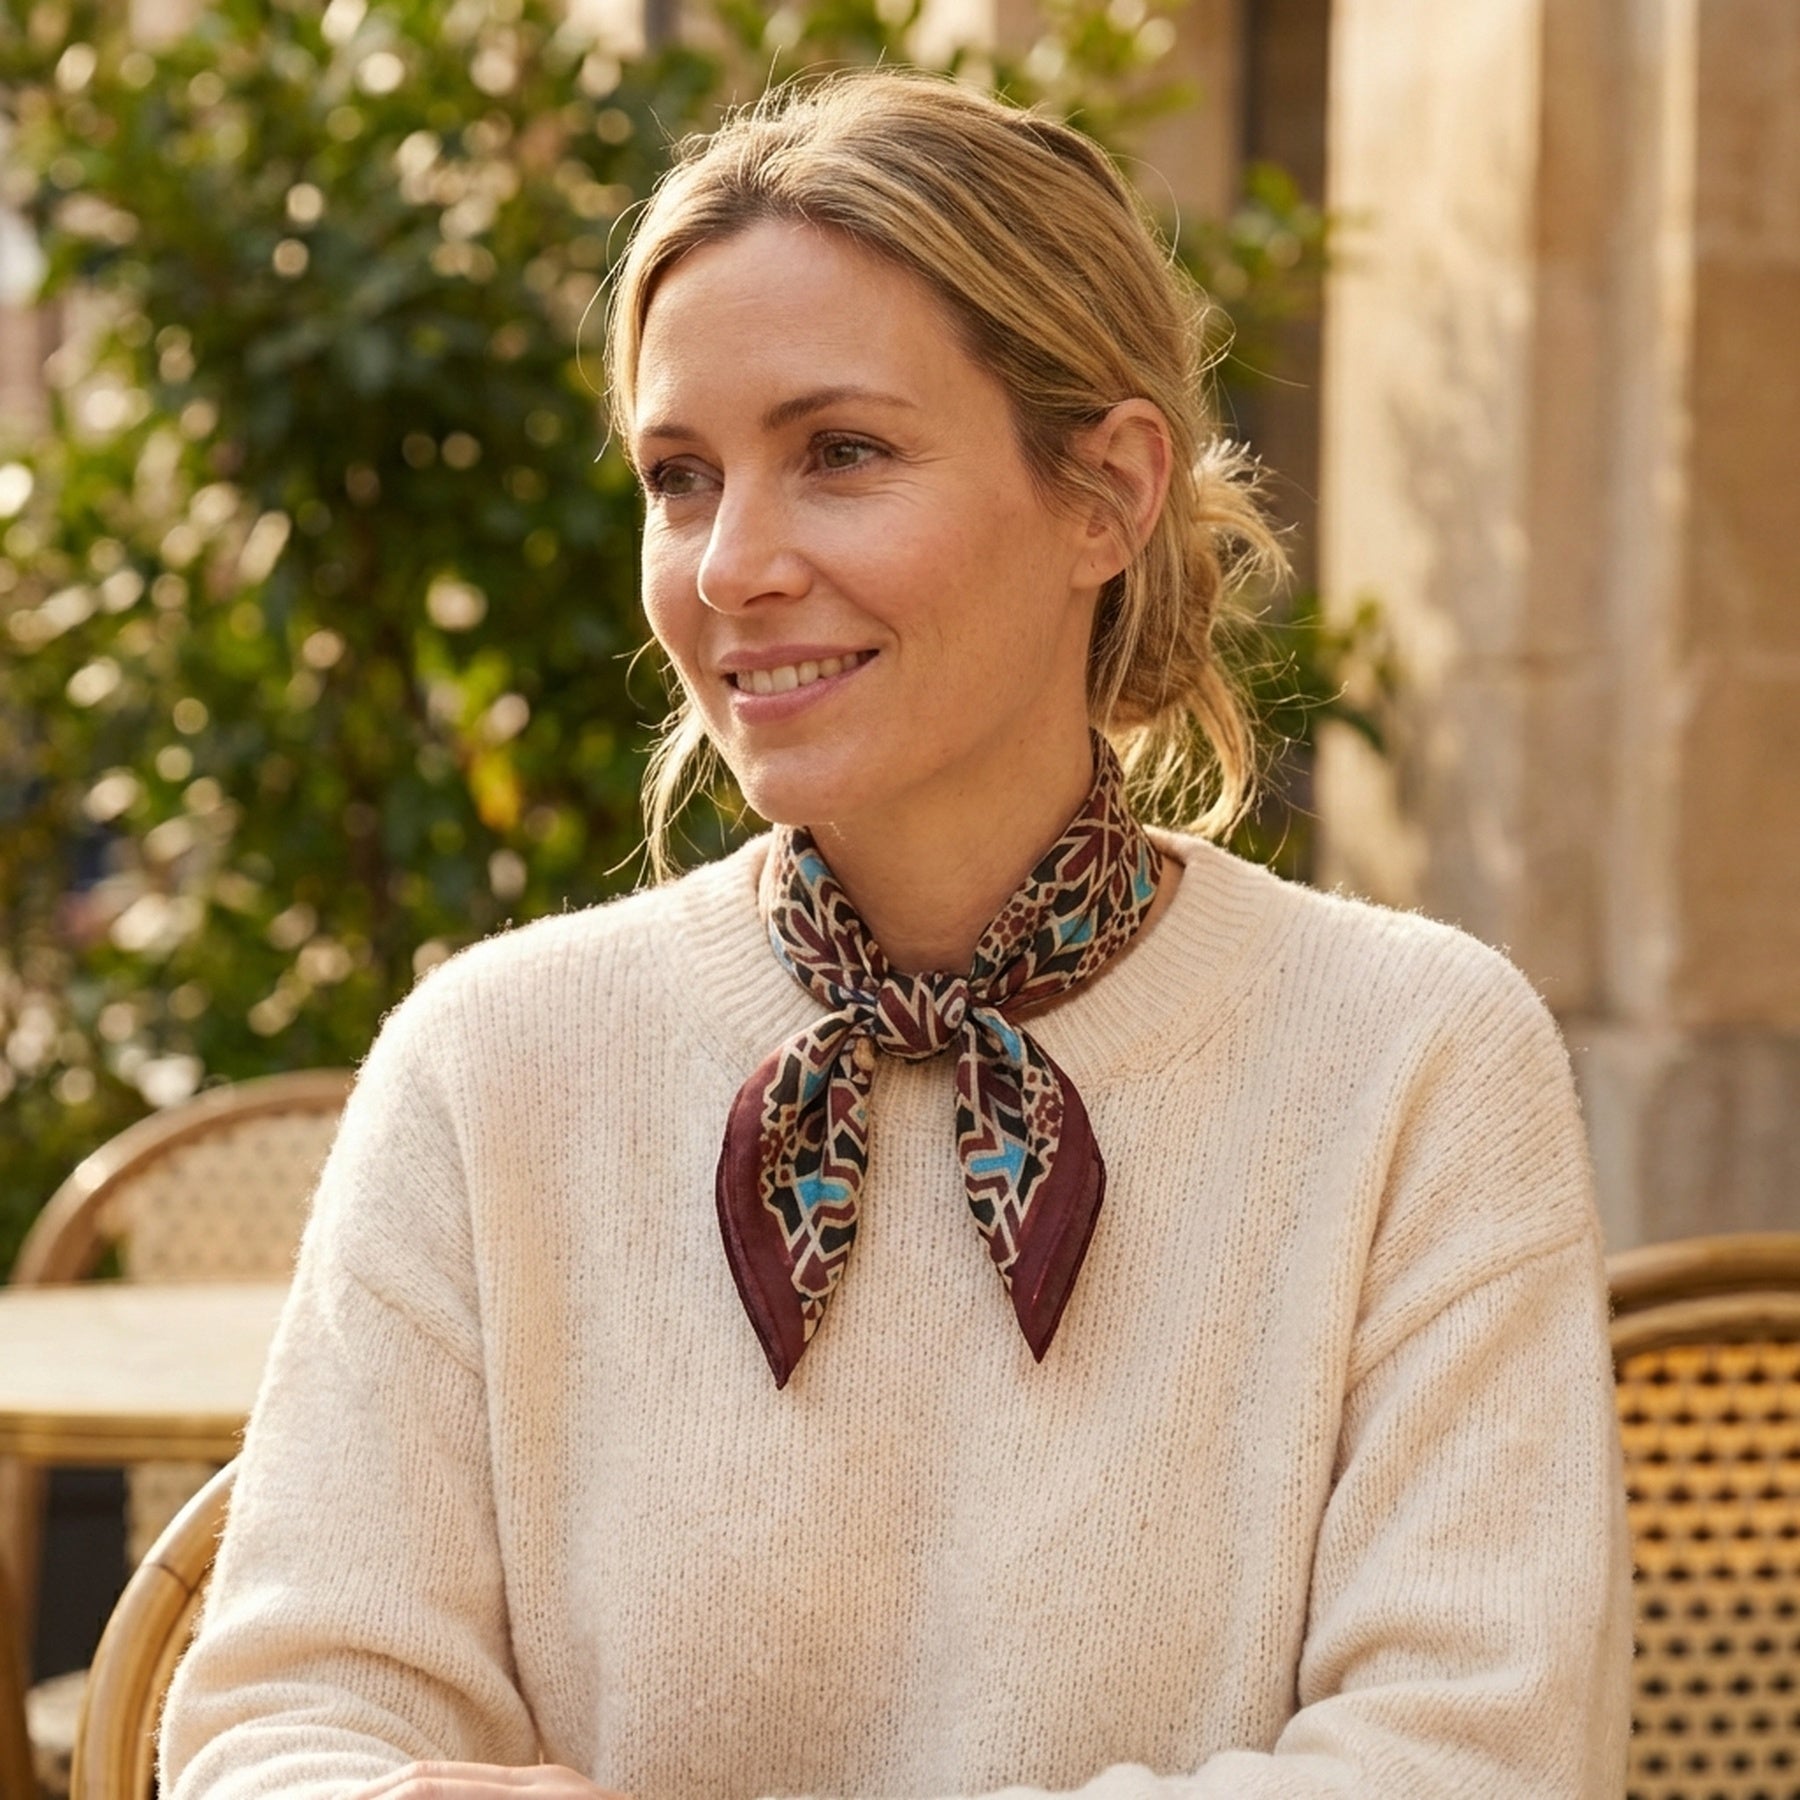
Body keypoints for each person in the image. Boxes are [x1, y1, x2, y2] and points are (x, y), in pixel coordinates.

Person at [160, 68, 1632, 1800]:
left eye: (839, 454)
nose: (729, 567)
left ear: (1108, 492)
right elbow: (275, 1733)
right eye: (681, 476)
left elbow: (1475, 1762)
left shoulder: (1416, 1059)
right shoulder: (493, 1061)